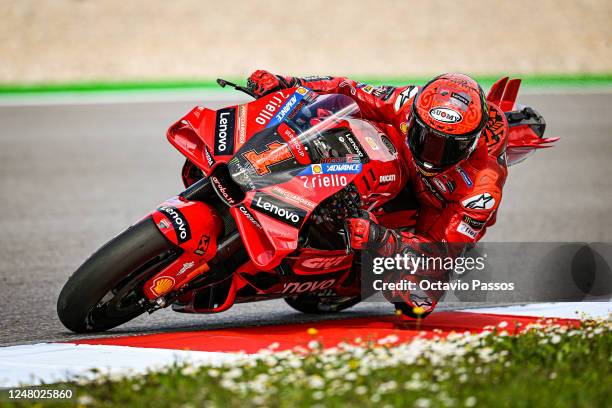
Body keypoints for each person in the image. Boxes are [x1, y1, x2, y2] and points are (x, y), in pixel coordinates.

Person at [247, 70, 509, 317]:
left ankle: (351, 265)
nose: (432, 154)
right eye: (425, 137)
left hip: (433, 212)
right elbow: (348, 88)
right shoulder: (409, 102)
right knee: (338, 120)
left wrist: (383, 239)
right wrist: (287, 82)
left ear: (471, 144)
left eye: (446, 147)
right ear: (415, 118)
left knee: (416, 299)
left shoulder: (482, 188)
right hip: (394, 157)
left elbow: (443, 250)